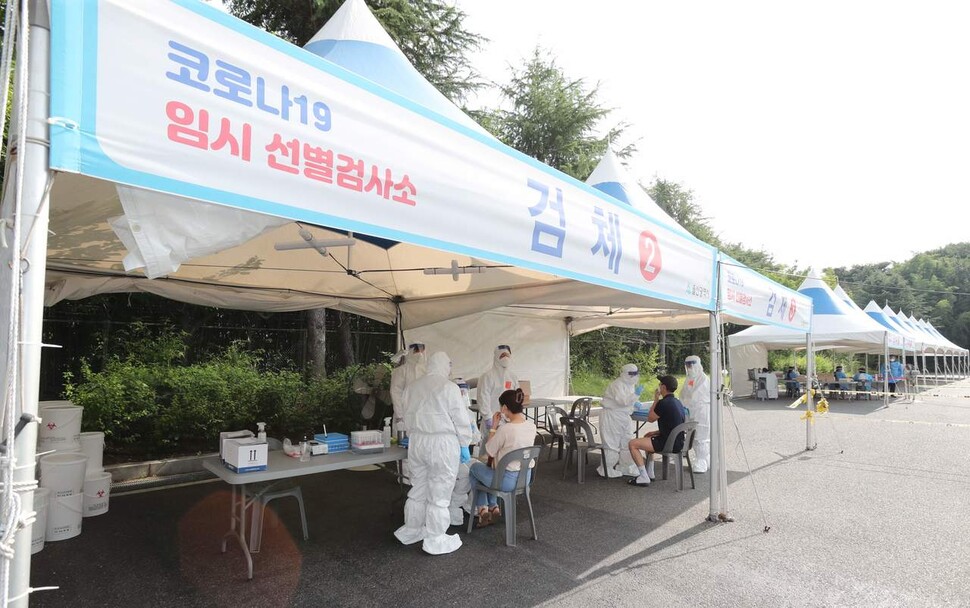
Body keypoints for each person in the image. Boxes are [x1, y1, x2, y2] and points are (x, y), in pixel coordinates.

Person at [393, 352, 473, 555]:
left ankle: (412, 530)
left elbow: (406, 416)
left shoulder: (412, 387)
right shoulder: (449, 387)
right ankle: (435, 538)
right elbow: (460, 419)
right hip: (442, 443)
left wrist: (414, 435)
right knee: (439, 492)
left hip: (417, 441)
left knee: (418, 488)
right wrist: (465, 443)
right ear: (444, 366)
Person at [467, 389, 536, 527]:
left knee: (474, 469)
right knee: (490, 472)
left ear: (504, 408)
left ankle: (482, 508)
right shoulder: (532, 426)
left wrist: (493, 427)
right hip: (525, 477)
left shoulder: (506, 429)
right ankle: (493, 507)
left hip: (506, 481)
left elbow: (490, 450)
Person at [627, 375, 686, 487]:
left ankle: (643, 476)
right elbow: (673, 425)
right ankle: (650, 473)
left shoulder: (663, 403)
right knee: (647, 436)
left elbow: (650, 418)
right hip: (679, 442)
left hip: (668, 444)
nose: (658, 386)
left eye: (660, 385)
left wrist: (655, 400)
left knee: (632, 444)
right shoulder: (678, 402)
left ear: (663, 387)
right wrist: (656, 432)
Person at [598, 363, 643, 478]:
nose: (634, 376)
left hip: (624, 416)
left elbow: (628, 402)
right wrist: (635, 396)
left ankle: (626, 466)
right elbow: (622, 401)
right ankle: (606, 468)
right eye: (631, 374)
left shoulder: (630, 385)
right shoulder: (617, 384)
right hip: (612, 416)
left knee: (627, 442)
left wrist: (634, 404)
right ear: (624, 374)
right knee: (611, 443)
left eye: (635, 373)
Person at [476, 345, 519, 440]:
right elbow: (483, 399)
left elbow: (517, 399)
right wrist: (488, 418)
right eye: (503, 355)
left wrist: (514, 416)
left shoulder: (513, 377)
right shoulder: (487, 377)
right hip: (492, 421)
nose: (506, 358)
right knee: (489, 451)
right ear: (496, 357)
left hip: (509, 421)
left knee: (506, 451)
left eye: (508, 355)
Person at [679, 355, 710, 474]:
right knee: (693, 435)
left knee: (701, 436)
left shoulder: (703, 379)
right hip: (691, 410)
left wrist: (685, 403)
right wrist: (682, 403)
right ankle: (703, 459)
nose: (689, 367)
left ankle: (702, 460)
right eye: (687, 365)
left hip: (702, 411)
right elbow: (683, 393)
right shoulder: (689, 378)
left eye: (691, 364)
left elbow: (695, 396)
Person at [390, 343, 427, 436]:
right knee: (402, 446)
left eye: (421, 349)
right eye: (416, 349)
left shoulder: (428, 370)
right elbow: (395, 393)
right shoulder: (401, 371)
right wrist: (400, 417)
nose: (419, 352)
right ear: (411, 351)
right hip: (405, 416)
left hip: (424, 417)